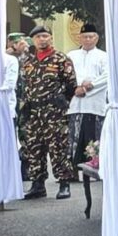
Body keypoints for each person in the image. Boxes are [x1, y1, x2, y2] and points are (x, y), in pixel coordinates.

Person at [12, 23, 80, 199]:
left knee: (58, 147)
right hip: (33, 112)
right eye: (38, 37)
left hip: (54, 112)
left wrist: (62, 102)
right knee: (34, 148)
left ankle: (64, 183)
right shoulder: (28, 61)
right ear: (33, 40)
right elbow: (24, 86)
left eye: (45, 36)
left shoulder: (60, 59)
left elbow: (71, 84)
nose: (41, 39)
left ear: (50, 38)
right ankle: (37, 184)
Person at [67, 21, 111, 172]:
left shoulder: (104, 56)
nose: (87, 40)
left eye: (91, 37)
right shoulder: (71, 55)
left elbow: (107, 77)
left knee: (93, 138)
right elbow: (66, 75)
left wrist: (88, 87)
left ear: (96, 38)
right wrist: (77, 87)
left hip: (94, 103)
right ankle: (72, 171)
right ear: (79, 38)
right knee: (74, 137)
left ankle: (94, 168)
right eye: (84, 37)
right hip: (75, 103)